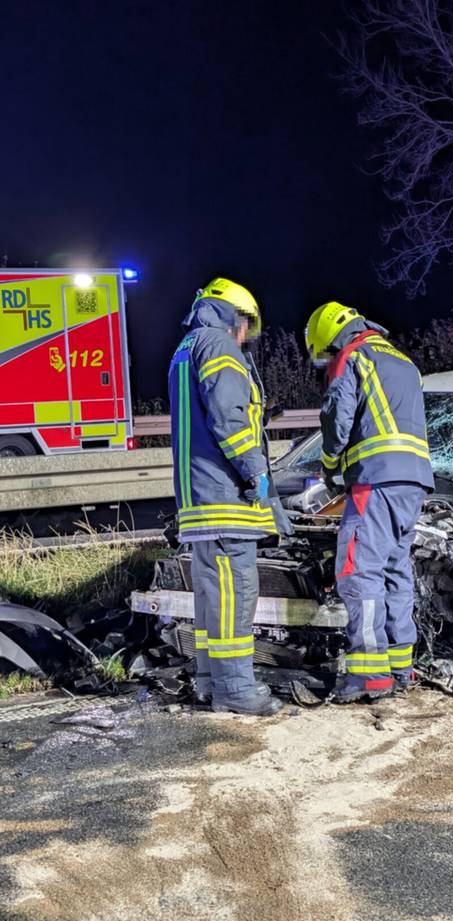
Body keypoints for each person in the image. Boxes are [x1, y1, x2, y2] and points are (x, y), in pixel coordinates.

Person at [305, 302, 434, 702]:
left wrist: (330, 467)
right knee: (395, 572)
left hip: (375, 479)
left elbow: (337, 417)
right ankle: (400, 665)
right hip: (413, 482)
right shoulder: (403, 361)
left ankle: (369, 674)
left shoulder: (352, 356)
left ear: (328, 338)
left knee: (358, 572)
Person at [169, 277, 283, 716]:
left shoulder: (186, 348)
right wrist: (257, 473)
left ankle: (208, 681)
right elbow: (229, 419)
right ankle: (235, 688)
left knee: (211, 597)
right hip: (222, 497)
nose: (246, 336)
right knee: (236, 593)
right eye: (246, 326)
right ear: (234, 315)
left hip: (198, 499)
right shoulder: (219, 347)